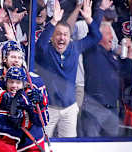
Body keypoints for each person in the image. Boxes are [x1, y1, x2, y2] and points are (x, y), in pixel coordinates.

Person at [35, 0, 111, 137]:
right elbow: (39, 45)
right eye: (58, 34)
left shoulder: (75, 48)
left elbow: (96, 36)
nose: (61, 37)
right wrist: (53, 21)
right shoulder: (46, 51)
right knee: (43, 143)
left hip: (69, 108)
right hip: (48, 109)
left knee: (69, 145)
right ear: (52, 37)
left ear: (70, 37)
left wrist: (89, 19)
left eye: (65, 34)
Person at [81, 21, 121, 137]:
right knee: (91, 147)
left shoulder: (111, 55)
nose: (112, 37)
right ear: (98, 36)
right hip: (94, 107)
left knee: (112, 147)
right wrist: (100, 10)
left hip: (112, 108)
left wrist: (127, 53)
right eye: (108, 33)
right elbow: (93, 34)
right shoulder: (92, 50)